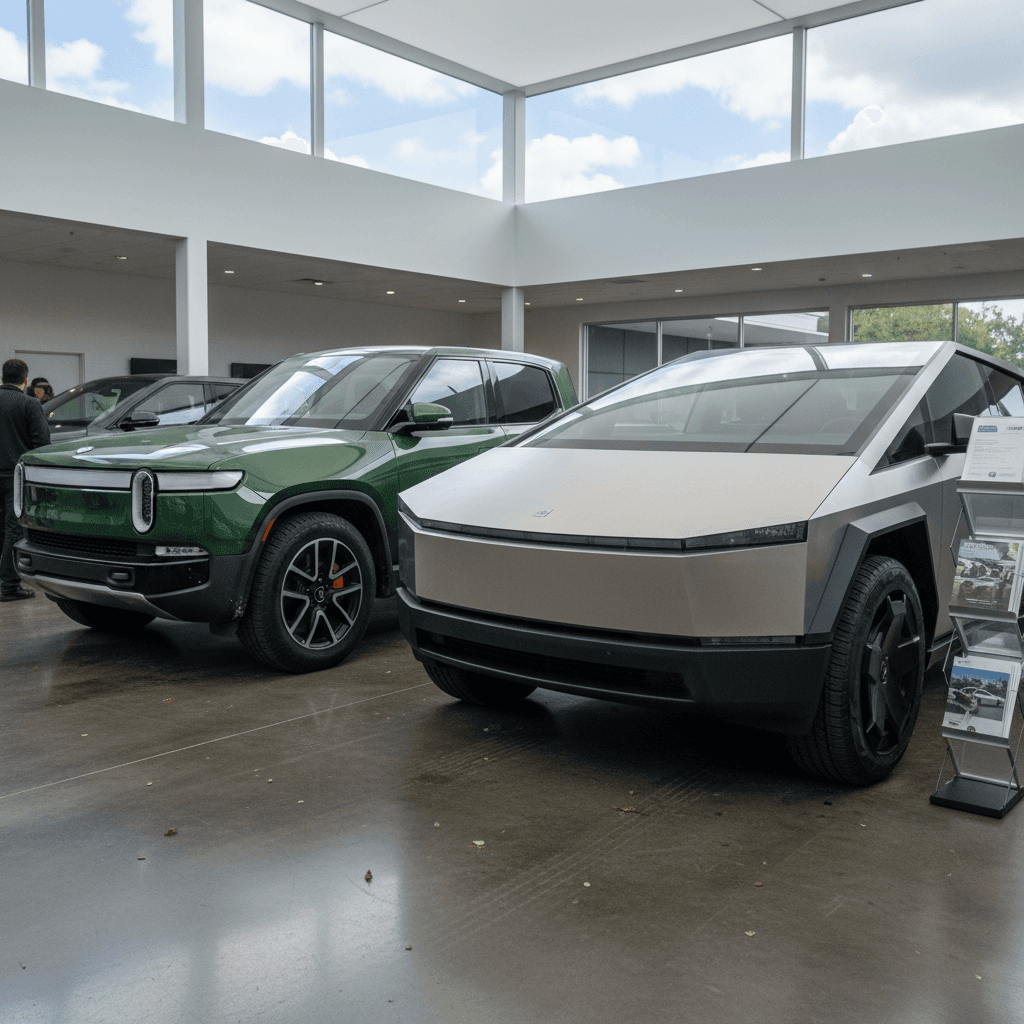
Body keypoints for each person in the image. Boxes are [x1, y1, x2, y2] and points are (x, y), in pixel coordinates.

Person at [1, 358, 50, 601]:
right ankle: (8, 586)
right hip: (15, 477)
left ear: (2, 377)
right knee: (14, 529)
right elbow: (42, 444)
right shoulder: (29, 404)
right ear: (25, 380)